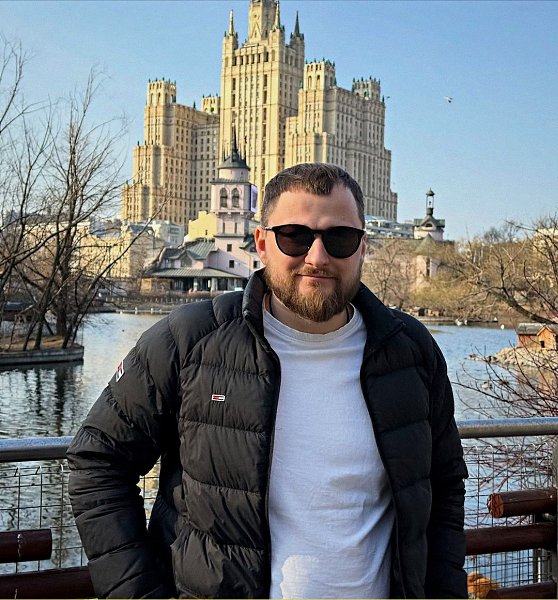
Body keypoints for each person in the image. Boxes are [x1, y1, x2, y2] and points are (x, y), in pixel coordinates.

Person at [67, 163, 468, 599]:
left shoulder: (411, 351)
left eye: (340, 238)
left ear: (362, 248)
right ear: (262, 243)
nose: (318, 257)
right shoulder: (189, 340)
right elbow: (98, 462)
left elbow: (444, 486)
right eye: (294, 237)